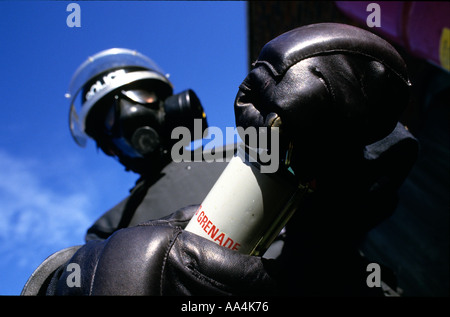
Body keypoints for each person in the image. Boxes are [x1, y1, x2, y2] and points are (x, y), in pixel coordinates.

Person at [22, 23, 418, 296]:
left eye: (139, 97)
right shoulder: (110, 229)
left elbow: (355, 199)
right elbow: (57, 279)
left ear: (171, 103)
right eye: (109, 118)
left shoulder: (252, 143)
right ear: (107, 145)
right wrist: (83, 283)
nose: (129, 117)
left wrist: (345, 153)